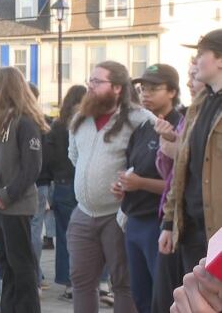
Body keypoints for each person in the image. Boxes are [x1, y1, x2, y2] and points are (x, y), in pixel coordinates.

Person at [69, 60, 153, 313]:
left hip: (118, 215)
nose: (90, 86)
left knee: (124, 284)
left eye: (97, 82)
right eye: (89, 81)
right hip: (83, 213)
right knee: (81, 282)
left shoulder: (139, 119)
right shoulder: (80, 119)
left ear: (117, 87)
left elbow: (150, 160)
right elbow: (74, 156)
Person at [115, 64, 182, 313]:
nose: (146, 94)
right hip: (134, 219)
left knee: (163, 297)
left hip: (159, 221)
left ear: (172, 92)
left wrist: (140, 184)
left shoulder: (179, 126)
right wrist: (123, 186)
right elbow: (134, 168)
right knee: (140, 295)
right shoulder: (143, 127)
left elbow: (179, 184)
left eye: (154, 88)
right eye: (143, 89)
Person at [0, 66, 48, 313]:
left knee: (22, 268)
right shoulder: (5, 122)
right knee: (7, 267)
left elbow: (32, 168)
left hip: (15, 206)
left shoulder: (25, 122)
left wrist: (8, 194)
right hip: (0, 206)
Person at [160, 29, 222, 278]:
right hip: (192, 232)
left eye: (201, 54)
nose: (195, 62)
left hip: (218, 234)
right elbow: (182, 170)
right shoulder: (198, 104)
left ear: (220, 59)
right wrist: (168, 223)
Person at [152, 58, 203, 313]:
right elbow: (172, 176)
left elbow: (194, 170)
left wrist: (177, 147)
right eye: (189, 75)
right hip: (175, 219)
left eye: (195, 75)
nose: (191, 82)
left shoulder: (201, 115)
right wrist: (170, 143)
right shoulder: (189, 116)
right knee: (167, 297)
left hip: (196, 226)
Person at [44, 84, 87, 302]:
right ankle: (100, 281)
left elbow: (48, 157)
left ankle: (69, 283)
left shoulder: (58, 126)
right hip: (85, 183)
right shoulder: (88, 123)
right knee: (92, 236)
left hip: (62, 184)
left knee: (65, 236)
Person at [28, 82, 53, 290]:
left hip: (33, 183)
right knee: (33, 231)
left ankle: (34, 277)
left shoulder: (29, 121)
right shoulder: (42, 121)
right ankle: (37, 275)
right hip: (41, 181)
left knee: (32, 232)